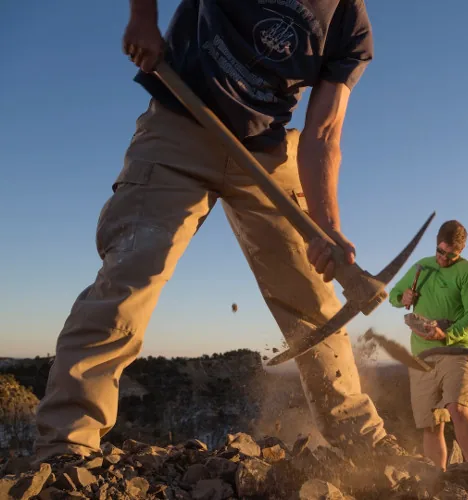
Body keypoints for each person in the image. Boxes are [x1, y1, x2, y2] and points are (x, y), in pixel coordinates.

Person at [33, 0, 406, 466]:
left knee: (313, 301)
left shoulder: (350, 23)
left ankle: (364, 445)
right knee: (132, 271)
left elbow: (324, 134)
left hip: (267, 154)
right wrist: (143, 19)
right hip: (179, 126)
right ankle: (67, 446)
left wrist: (327, 228)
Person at [388, 220, 468, 470]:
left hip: (456, 349)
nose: (442, 258)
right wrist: (403, 297)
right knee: (430, 424)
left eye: (450, 255)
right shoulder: (422, 267)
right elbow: (393, 295)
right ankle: (438, 482)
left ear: (461, 251)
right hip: (421, 355)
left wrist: (446, 334)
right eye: (439, 252)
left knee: (457, 407)